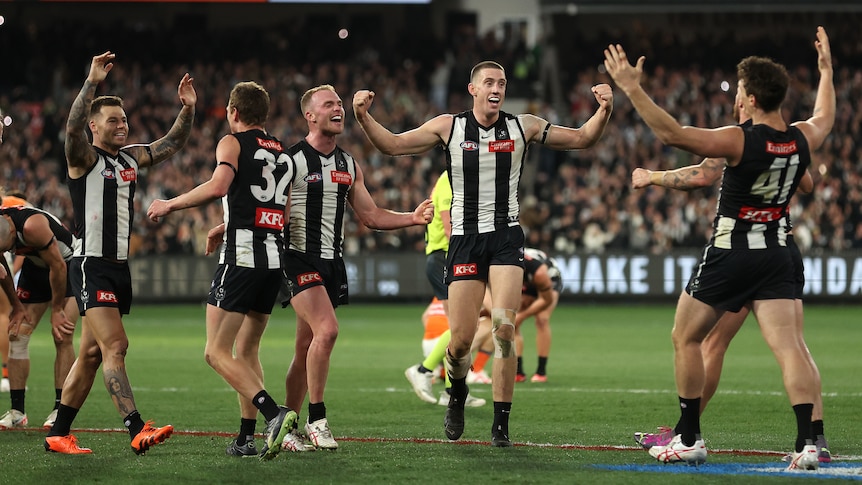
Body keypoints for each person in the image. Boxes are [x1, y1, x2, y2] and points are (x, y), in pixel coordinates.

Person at [603, 26, 833, 469]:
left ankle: (688, 437)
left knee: (686, 337)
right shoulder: (802, 138)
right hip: (779, 251)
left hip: (733, 252)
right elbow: (825, 117)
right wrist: (827, 71)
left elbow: (671, 133)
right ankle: (808, 444)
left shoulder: (738, 138)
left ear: (748, 97)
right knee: (791, 348)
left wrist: (631, 88)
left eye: (741, 88)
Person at [353, 60, 613, 446]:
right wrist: (362, 115)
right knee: (459, 341)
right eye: (489, 82)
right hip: (465, 241)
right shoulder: (449, 126)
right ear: (472, 89)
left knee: (504, 329)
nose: (497, 88)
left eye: (502, 83)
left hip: (506, 238)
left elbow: (582, 138)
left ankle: (501, 426)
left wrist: (603, 110)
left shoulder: (523, 125)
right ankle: (456, 395)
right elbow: (392, 145)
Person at [45, 51, 196, 455]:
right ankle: (134, 427)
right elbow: (71, 127)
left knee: (92, 354)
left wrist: (188, 109)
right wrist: (91, 82)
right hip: (90, 264)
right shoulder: (84, 159)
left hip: (118, 268)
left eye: (124, 120)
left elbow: (171, 143)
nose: (122, 125)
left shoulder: (130, 159)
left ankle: (59, 432)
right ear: (94, 127)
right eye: (113, 120)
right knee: (116, 346)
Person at [147, 80, 297, 460]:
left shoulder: (232, 142)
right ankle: (246, 438)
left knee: (215, 352)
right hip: (272, 260)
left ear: (233, 112)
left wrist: (170, 204)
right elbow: (282, 211)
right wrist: (225, 226)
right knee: (246, 349)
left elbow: (219, 186)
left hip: (242, 258)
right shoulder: (282, 152)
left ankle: (272, 414)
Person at [278, 84, 433, 451]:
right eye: (328, 104)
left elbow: (371, 215)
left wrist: (411, 218)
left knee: (305, 349)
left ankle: (284, 428)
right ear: (310, 116)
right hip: (297, 258)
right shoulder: (291, 161)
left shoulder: (348, 164)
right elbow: (270, 211)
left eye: (339, 104)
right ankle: (317, 419)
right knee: (328, 331)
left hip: (331, 263)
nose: (339, 109)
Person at [0, 206, 79, 431]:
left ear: (13, 234)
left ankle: (60, 409)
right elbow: (3, 269)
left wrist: (56, 310)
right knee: (17, 334)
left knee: (62, 334)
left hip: (68, 265)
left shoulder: (32, 226)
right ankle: (17, 412)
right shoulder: (1, 227)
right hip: (35, 268)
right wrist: (15, 304)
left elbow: (58, 266)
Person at [404, 296, 488, 407]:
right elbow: (494, 309)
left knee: (454, 342)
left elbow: (425, 317)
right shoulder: (471, 287)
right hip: (445, 341)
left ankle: (449, 390)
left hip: (429, 342)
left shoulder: (440, 294)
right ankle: (424, 370)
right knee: (487, 325)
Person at [513, 247, 562, 384]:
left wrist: (522, 316)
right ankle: (518, 371)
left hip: (547, 276)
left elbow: (545, 300)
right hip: (524, 277)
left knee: (542, 319)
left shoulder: (535, 268)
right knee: (513, 321)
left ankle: (541, 371)